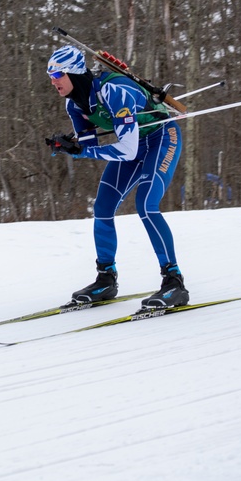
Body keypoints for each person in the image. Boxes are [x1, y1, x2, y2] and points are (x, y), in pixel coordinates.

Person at [45, 44, 189, 309]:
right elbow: (89, 144)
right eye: (51, 78)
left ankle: (174, 281)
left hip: (160, 139)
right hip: (133, 145)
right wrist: (71, 147)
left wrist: (82, 150)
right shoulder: (74, 105)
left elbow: (126, 149)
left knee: (146, 204)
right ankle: (105, 278)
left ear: (74, 73)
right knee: (102, 207)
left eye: (58, 76)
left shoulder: (114, 91)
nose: (54, 82)